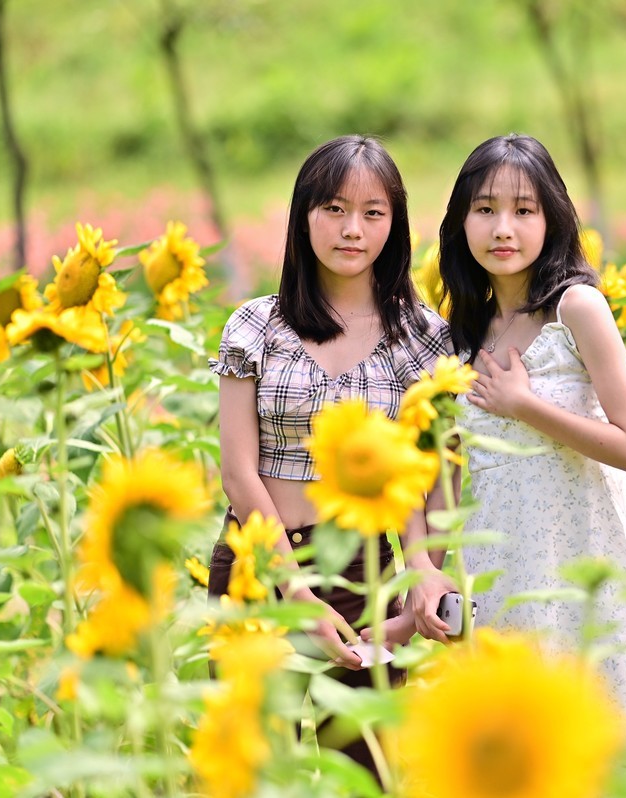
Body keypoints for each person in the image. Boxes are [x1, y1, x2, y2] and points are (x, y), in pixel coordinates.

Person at [437, 134, 626, 795]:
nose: (503, 228)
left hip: (583, 559)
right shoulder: (462, 330)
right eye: (485, 209)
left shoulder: (576, 307)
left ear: (552, 216)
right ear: (459, 221)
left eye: (524, 210)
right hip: (504, 573)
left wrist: (525, 406)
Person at [205, 135, 453, 773]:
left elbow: (432, 475)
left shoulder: (421, 338)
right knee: (255, 770)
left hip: (362, 572)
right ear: (303, 216)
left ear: (395, 225)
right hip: (258, 566)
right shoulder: (255, 327)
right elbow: (238, 471)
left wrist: (420, 572)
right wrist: (295, 591)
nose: (353, 230)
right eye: (335, 209)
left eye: (374, 213)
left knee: (363, 767)